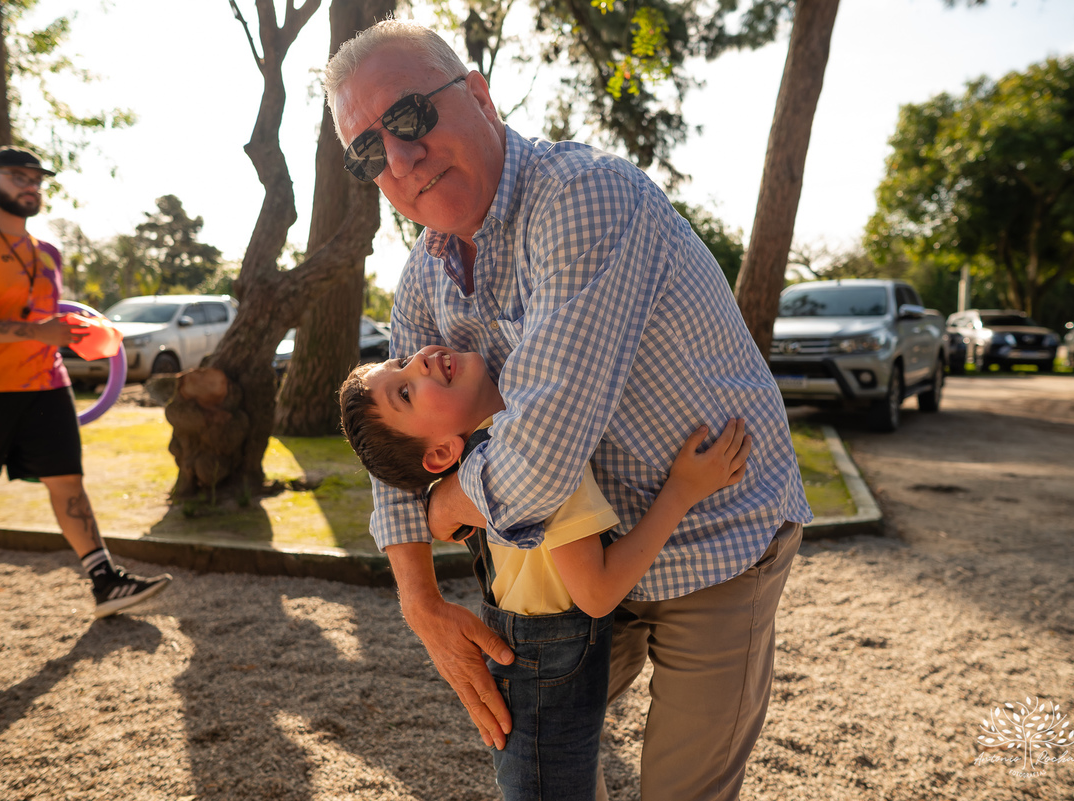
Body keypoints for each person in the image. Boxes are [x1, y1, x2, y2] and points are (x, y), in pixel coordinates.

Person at [326, 20, 812, 800]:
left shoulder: (583, 198)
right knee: (535, 763)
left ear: (479, 96)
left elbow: (544, 455)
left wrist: (451, 499)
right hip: (583, 569)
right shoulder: (423, 277)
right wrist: (420, 599)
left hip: (717, 534)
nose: (400, 156)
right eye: (367, 150)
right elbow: (392, 447)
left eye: (411, 116)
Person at [340, 344, 752, 800]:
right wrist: (682, 490)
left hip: (532, 656)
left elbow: (443, 521)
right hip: (546, 667)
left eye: (400, 363)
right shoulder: (534, 460)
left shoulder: (489, 456)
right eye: (405, 393)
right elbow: (597, 591)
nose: (417, 360)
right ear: (440, 454)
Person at [0, 146, 172, 623]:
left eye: (36, 179)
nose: (30, 185)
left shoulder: (48, 254)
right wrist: (33, 333)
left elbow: (50, 319)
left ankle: (105, 581)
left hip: (45, 384)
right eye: (18, 176)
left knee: (68, 481)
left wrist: (86, 337)